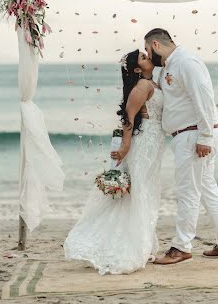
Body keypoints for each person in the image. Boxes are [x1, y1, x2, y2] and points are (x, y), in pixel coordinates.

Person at [63, 49, 165, 275]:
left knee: (146, 191)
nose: (148, 57)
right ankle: (131, 245)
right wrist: (126, 146)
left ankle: (141, 241)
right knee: (140, 192)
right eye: (143, 57)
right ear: (137, 69)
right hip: (144, 143)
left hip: (154, 143)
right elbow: (128, 116)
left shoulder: (154, 84)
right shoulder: (141, 87)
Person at [144, 28, 218, 265]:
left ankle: (181, 247)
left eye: (147, 50)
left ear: (155, 44)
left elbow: (203, 98)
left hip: (194, 135)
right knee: (207, 189)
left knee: (188, 192)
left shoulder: (187, 62)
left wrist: (205, 137)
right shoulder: (168, 67)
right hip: (186, 135)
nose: (147, 55)